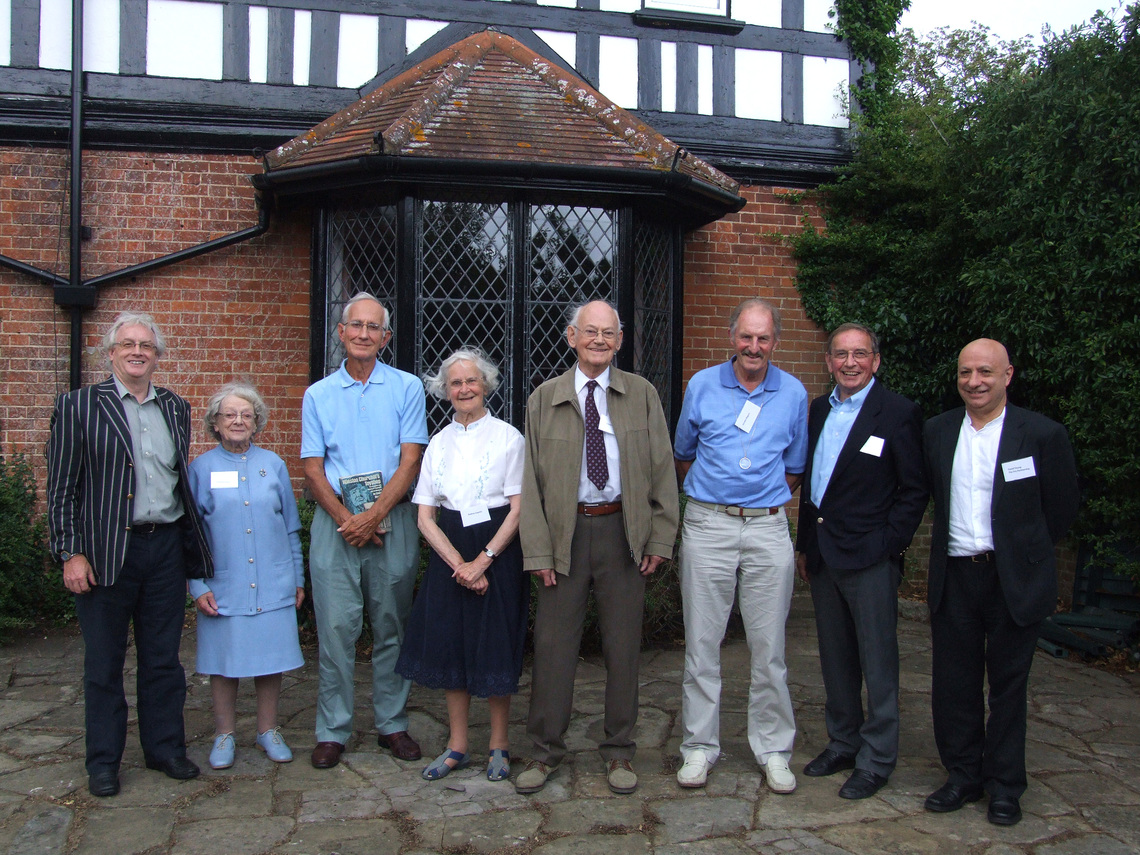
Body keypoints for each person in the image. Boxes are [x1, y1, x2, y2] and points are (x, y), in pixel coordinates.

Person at [515, 300, 679, 796]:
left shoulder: (642, 394)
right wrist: (538, 551)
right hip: (564, 536)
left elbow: (662, 469)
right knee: (552, 649)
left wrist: (659, 536)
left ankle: (619, 750)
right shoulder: (544, 398)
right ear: (571, 337)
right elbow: (530, 482)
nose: (599, 340)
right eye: (590, 331)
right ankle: (545, 751)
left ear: (620, 340)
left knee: (623, 649)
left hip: (622, 535)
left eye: (609, 333)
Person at [47, 311, 213, 797]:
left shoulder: (175, 407)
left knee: (163, 659)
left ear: (157, 356)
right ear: (112, 353)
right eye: (128, 344)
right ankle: (103, 761)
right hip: (103, 552)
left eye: (146, 346)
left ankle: (165, 749)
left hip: (164, 548)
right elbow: (61, 487)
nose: (137, 352)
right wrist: (70, 552)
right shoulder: (78, 406)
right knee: (104, 664)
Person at [923, 338, 1078, 826]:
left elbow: (1061, 508)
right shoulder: (938, 431)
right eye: (966, 372)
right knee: (955, 684)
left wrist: (1023, 553)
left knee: (1008, 688)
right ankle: (963, 775)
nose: (974, 382)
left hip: (1012, 579)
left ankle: (1005, 785)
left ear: (1007, 375)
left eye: (985, 372)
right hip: (955, 575)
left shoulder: (1042, 434)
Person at [672, 297, 807, 793]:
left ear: (776, 341)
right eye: (746, 336)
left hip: (768, 529)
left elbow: (795, 468)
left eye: (763, 338)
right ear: (732, 337)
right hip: (709, 525)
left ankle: (773, 750)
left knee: (769, 649)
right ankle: (698, 747)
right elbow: (684, 453)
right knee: (702, 645)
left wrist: (756, 500)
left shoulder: (793, 393)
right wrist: (721, 497)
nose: (754, 346)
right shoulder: (702, 385)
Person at [794, 323, 927, 799]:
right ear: (829, 361)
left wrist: (889, 545)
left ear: (876, 360)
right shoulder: (817, 409)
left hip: (870, 557)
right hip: (824, 555)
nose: (850, 363)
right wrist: (805, 545)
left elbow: (914, 490)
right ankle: (843, 742)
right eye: (841, 354)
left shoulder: (898, 413)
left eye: (860, 354)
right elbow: (813, 486)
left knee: (878, 662)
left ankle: (877, 759)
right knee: (836, 659)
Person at [301, 293, 429, 769]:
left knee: (392, 625)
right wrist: (348, 520)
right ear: (341, 331)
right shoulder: (317, 395)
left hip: (392, 519)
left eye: (373, 327)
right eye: (355, 325)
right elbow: (312, 468)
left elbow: (411, 460)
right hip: (335, 522)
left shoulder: (407, 387)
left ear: (385, 337)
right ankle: (333, 729)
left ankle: (392, 723)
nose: (363, 333)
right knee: (335, 630)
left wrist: (373, 516)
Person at [396, 349, 527, 783]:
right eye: (455, 383)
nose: (464, 389)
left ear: (485, 385)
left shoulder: (509, 437)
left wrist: (483, 561)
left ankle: (499, 745)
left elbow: (518, 509)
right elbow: (424, 516)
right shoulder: (438, 443)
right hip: (450, 553)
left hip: (498, 550)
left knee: (495, 647)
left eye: (471, 381)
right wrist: (460, 566)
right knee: (452, 648)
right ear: (445, 391)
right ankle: (457, 746)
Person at [188, 382, 305, 770]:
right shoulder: (201, 469)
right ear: (215, 423)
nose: (238, 421)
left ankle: (267, 730)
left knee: (271, 659)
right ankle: (224, 733)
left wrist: (298, 578)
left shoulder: (273, 464)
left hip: (273, 580)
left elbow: (290, 527)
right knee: (224, 661)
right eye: (229, 415)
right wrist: (196, 585)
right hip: (224, 584)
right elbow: (190, 535)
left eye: (246, 415)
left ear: (256, 422)